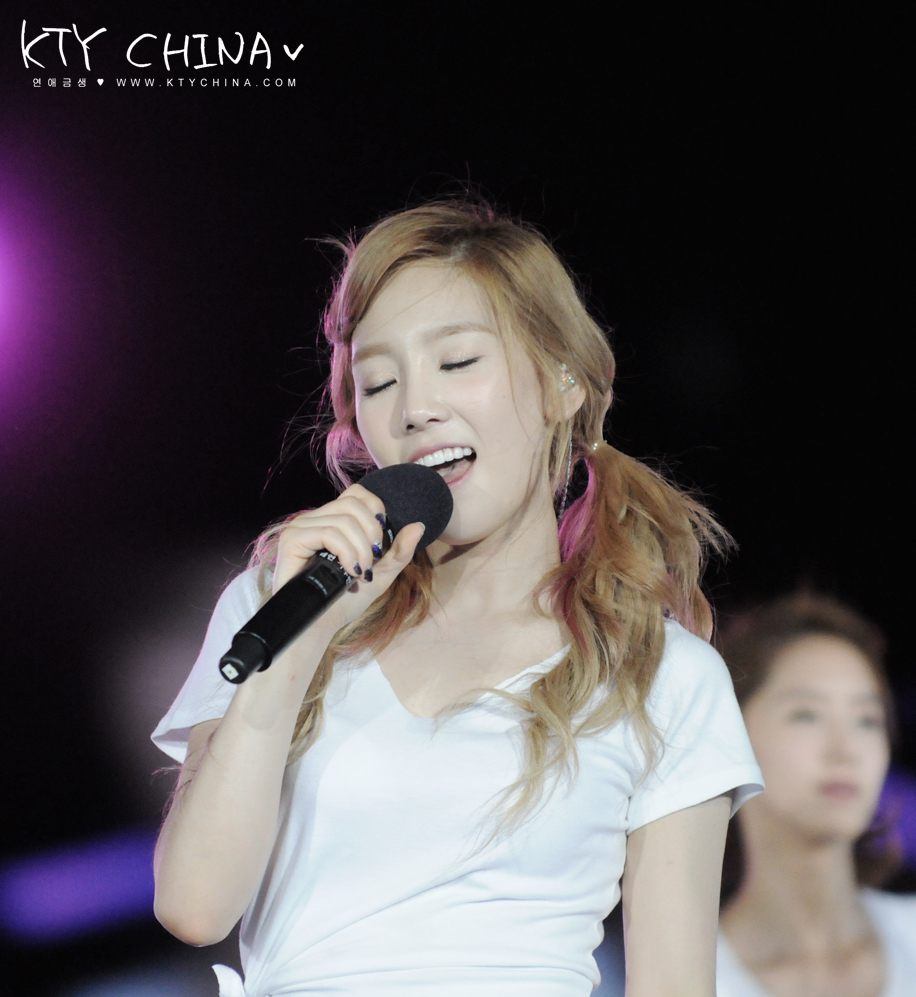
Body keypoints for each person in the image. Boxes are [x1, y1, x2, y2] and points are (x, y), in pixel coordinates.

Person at [151, 199, 764, 997]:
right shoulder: (278, 604)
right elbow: (194, 906)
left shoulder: (662, 675)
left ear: (562, 382)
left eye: (458, 361)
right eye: (379, 382)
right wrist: (299, 645)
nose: (415, 408)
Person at [716, 591, 916, 997]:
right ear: (731, 734)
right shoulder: (688, 977)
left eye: (867, 720)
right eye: (807, 715)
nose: (845, 751)